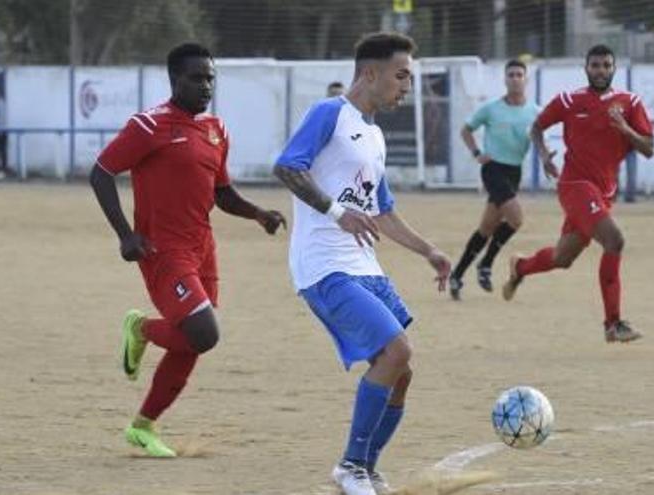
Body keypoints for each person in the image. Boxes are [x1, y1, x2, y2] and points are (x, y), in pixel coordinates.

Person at [274, 32, 451, 495]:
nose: (406, 85)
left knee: (401, 372)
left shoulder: (373, 135)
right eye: (401, 75)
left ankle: (365, 469)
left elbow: (382, 212)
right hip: (324, 267)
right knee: (398, 352)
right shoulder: (329, 112)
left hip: (365, 266)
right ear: (369, 73)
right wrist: (336, 211)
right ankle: (351, 466)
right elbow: (287, 167)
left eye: (409, 77)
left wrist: (429, 250)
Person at [90, 43, 286, 457]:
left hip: (203, 248)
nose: (206, 85)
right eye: (196, 78)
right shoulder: (148, 125)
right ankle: (140, 328)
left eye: (210, 77)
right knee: (203, 333)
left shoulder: (217, 129)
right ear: (174, 80)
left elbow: (221, 193)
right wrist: (126, 235)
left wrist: (258, 214)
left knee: (193, 340)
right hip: (163, 250)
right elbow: (101, 173)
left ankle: (143, 426)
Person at [502, 45, 654, 343]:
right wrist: (544, 155)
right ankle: (613, 324)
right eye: (595, 65)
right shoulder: (569, 101)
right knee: (615, 240)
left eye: (606, 65)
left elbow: (648, 148)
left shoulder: (630, 103)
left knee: (563, 258)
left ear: (614, 69)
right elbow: (537, 127)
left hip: (604, 192)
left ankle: (521, 266)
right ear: (586, 68)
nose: (600, 70)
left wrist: (626, 129)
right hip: (574, 186)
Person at [448, 59, 539, 300]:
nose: (515, 78)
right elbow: (466, 129)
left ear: (526, 79)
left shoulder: (535, 111)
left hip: (514, 172)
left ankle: (457, 275)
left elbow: (540, 137)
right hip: (493, 169)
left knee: (487, 228)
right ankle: (486, 264)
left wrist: (548, 156)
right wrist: (477, 153)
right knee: (516, 218)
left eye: (520, 74)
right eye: (511, 74)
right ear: (505, 79)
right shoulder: (491, 108)